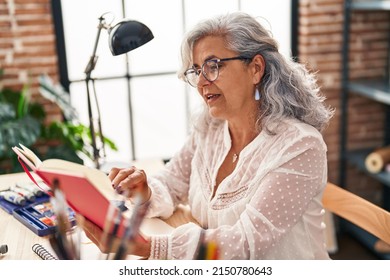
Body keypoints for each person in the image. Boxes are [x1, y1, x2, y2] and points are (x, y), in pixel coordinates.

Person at [85, 11, 334, 260]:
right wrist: (144, 190)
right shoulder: (211, 129)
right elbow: (172, 182)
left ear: (256, 69)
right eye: (196, 70)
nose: (202, 82)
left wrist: (145, 246)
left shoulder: (300, 146)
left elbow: (246, 243)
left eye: (213, 66)